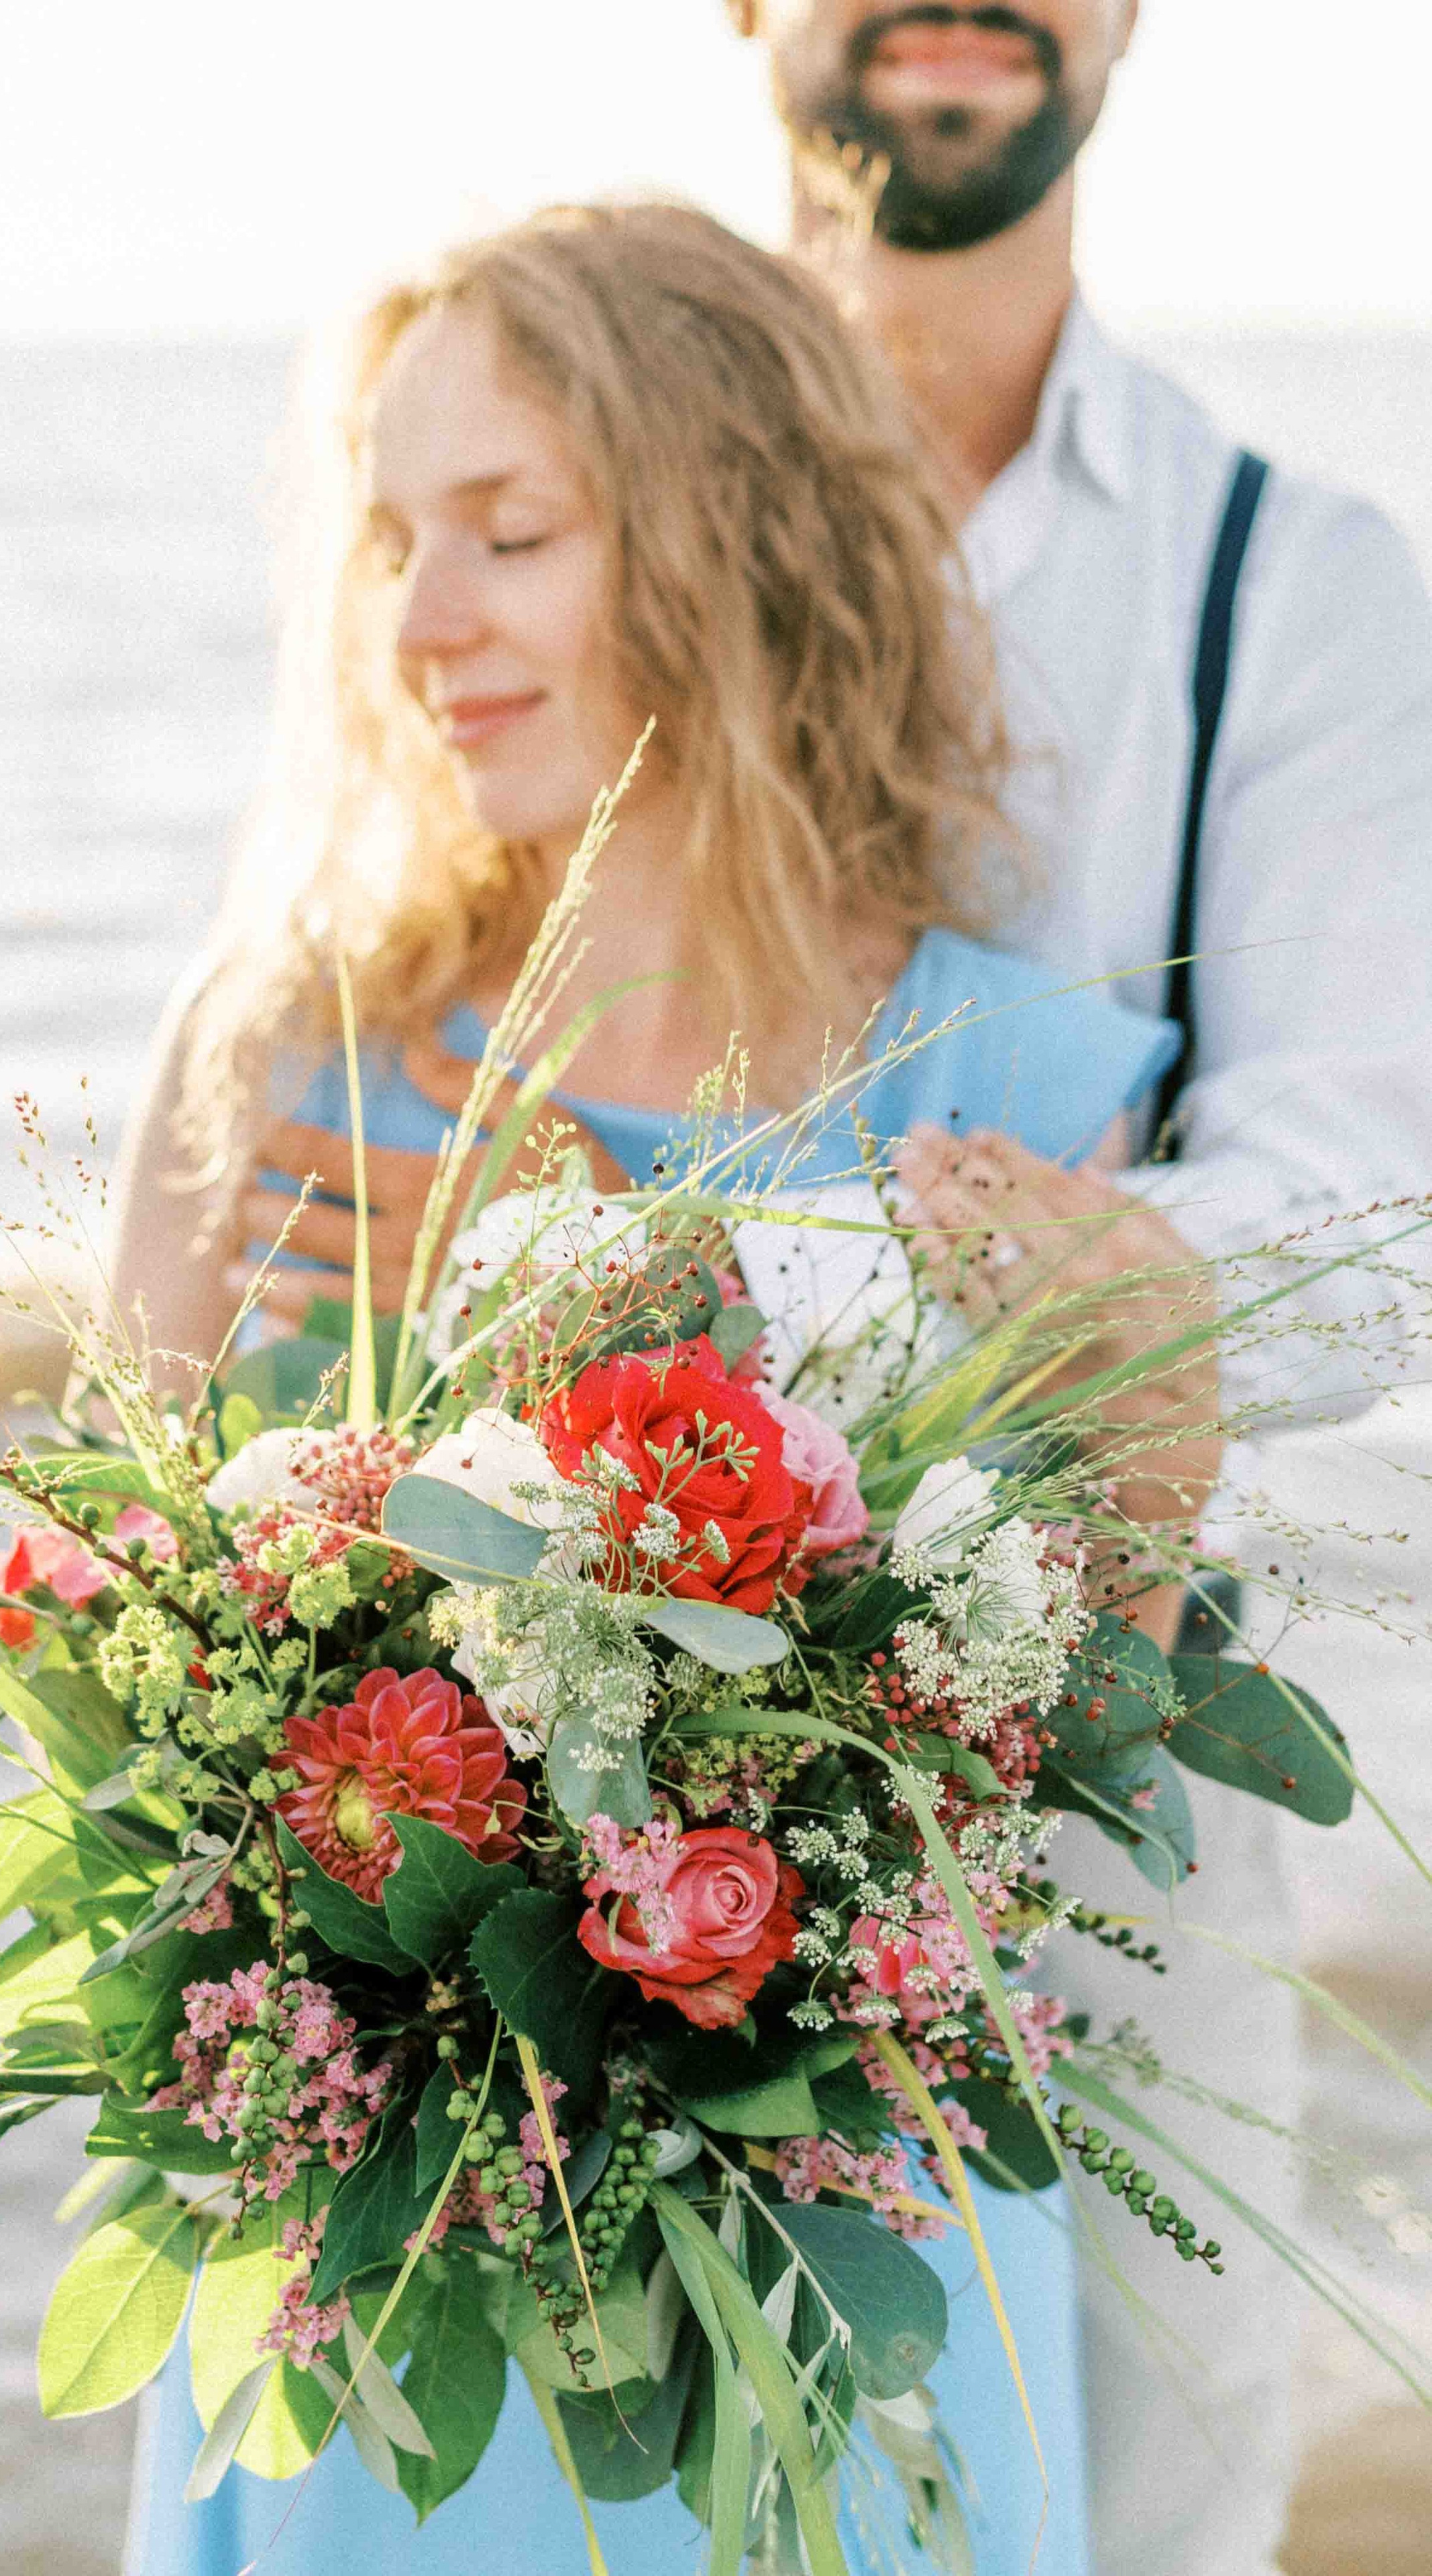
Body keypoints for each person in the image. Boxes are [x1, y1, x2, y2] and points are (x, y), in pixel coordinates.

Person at [113, 201, 1217, 2575]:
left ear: (728, 542)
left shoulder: (1011, 1087)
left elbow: (1065, 1824)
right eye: (396, 541)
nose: (421, 623)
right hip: (395, 2344)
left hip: (852, 2310)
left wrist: (1163, 1448)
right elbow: (111, 1741)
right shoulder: (281, 1074)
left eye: (509, 533)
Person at [720, 7, 1432, 2573]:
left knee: (1145, 2494)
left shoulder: (1294, 573)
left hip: (1115, 1751)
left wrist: (775, 1298)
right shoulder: (576, 480)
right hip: (570, 1747)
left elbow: (1369, 1229)